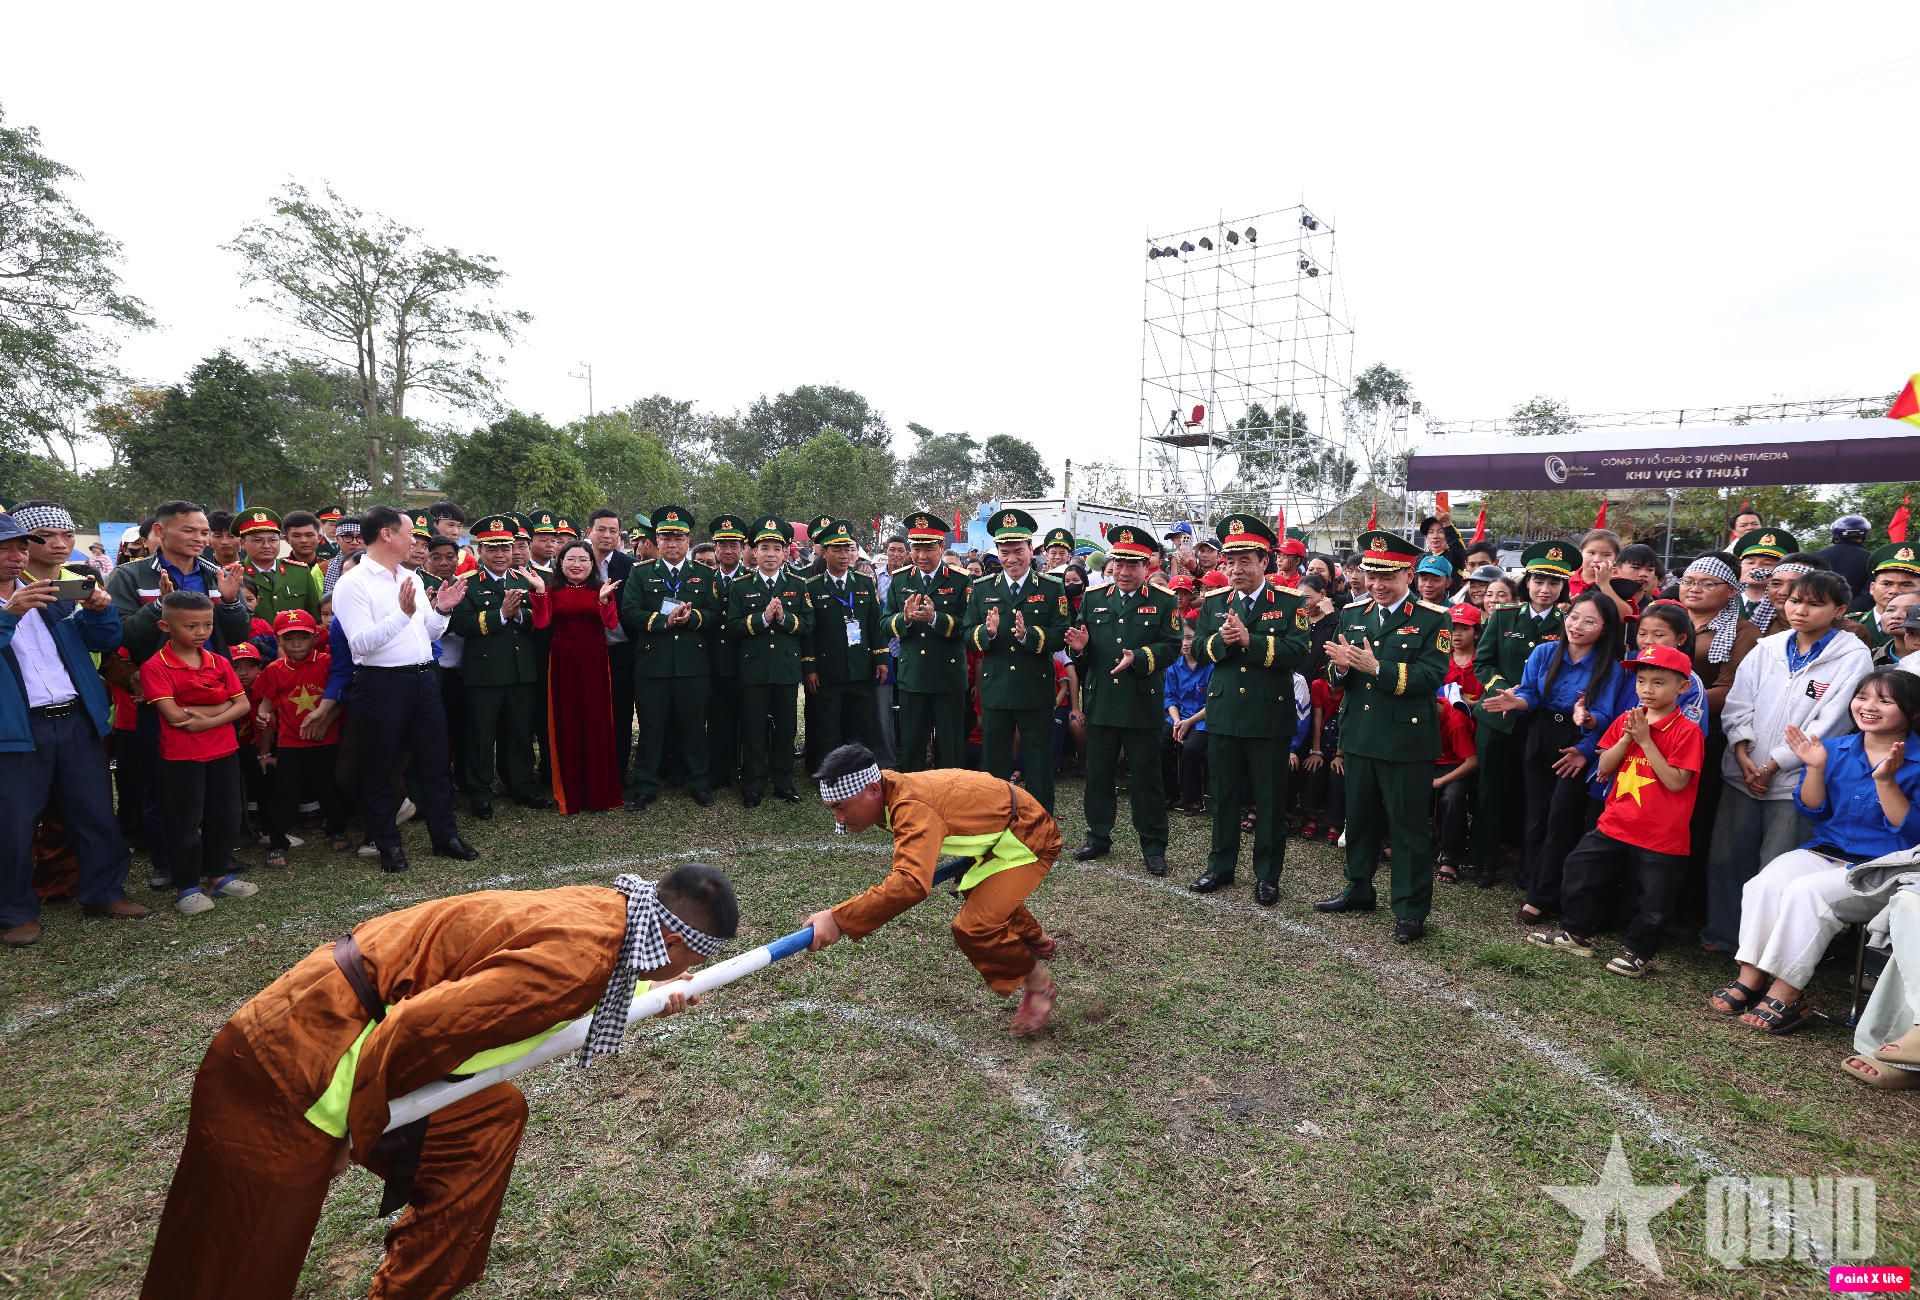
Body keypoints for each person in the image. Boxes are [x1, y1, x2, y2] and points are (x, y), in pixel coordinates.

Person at [139, 866, 735, 1300]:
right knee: (235, 1256)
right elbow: (425, 1027)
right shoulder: (584, 960)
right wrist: (361, 1132)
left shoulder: (611, 910)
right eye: (690, 962)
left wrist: (645, 992)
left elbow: (523, 974)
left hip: (353, 1027)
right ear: (675, 939)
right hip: (297, 1056)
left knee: (487, 1121)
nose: (686, 974)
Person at [1707, 670, 1920, 1033]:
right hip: (1826, 851)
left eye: (1884, 701)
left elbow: (1913, 831)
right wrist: (1816, 768)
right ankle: (1750, 978)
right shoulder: (1834, 748)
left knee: (1809, 895)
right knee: (1765, 883)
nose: (1868, 707)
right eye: (1863, 697)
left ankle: (1788, 996)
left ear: (1913, 712)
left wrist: (1885, 781)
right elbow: (1812, 808)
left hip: (1887, 869)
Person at [806, 744, 1062, 1033]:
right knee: (977, 888)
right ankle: (1037, 939)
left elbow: (911, 883)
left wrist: (839, 918)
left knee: (974, 926)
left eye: (841, 807)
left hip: (1027, 834)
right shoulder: (885, 788)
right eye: (833, 809)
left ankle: (1040, 986)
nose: (838, 819)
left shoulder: (910, 805)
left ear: (873, 790)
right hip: (1001, 826)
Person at [1701, 569, 1874, 955]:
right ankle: (1723, 933)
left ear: (1839, 610)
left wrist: (1773, 765)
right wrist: (1743, 754)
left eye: (1815, 604)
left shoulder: (1851, 656)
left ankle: (1763, 948)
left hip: (1794, 782)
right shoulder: (1769, 647)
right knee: (1728, 857)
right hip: (1741, 773)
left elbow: (1832, 723)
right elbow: (1737, 705)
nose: (1801, 610)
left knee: (1776, 864)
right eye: (1796, 600)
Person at [0, 508, 143, 946]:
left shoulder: (53, 590)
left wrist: (100, 610)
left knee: (95, 811)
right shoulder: (24, 599)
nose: (15, 555)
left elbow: (101, 641)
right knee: (13, 826)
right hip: (16, 731)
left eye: (21, 546)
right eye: (3, 548)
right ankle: (14, 912)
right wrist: (8, 614)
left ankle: (104, 892)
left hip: (75, 719)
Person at [1530, 645, 1705, 977]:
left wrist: (1646, 740)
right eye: (1641, 681)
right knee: (1579, 867)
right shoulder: (1628, 719)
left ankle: (1638, 951)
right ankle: (1576, 932)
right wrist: (1628, 738)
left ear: (1682, 687)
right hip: (1616, 821)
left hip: (1661, 833)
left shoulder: (1688, 731)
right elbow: (1604, 766)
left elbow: (1676, 782)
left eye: (1659, 682)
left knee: (1654, 898)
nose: (1647, 690)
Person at [330, 503, 477, 873]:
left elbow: (427, 634)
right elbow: (361, 644)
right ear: (387, 534)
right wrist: (403, 615)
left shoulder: (409, 577)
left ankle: (445, 837)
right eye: (410, 533)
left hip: (423, 680)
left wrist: (440, 610)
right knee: (379, 768)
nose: (415, 540)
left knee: (435, 764)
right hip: (381, 684)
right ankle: (388, 846)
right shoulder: (353, 583)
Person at [1483, 588, 1627, 927]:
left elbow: (1605, 716)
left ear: (1605, 629)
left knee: (1560, 820)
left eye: (1590, 621)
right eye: (1574, 617)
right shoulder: (1545, 652)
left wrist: (1586, 733)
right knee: (1537, 816)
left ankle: (1541, 898)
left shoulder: (1612, 669)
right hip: (1542, 735)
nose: (1577, 626)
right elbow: (1531, 694)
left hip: (1577, 746)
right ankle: (1535, 881)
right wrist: (1515, 702)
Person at [1190, 515, 1310, 905]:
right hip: (1224, 713)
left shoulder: (1291, 603)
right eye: (1230, 562)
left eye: (1245, 561)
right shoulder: (1214, 602)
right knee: (1225, 796)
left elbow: (1299, 652)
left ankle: (1267, 875)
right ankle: (1220, 867)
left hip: (1269, 717)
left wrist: (1251, 640)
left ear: (1265, 562)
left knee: (1270, 799)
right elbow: (1195, 650)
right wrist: (1222, 642)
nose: (1236, 570)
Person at [1064, 526, 1182, 876]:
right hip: (1101, 701)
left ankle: (1153, 845)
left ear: (1146, 566)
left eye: (1133, 566)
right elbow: (1080, 648)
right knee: (1098, 775)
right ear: (1111, 565)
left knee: (1146, 777)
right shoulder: (1093, 597)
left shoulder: (1164, 600)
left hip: (1141, 701)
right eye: (1120, 565)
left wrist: (1142, 657)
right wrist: (1080, 649)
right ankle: (1098, 836)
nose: (1125, 572)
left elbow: (1172, 645)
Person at [140, 591, 258, 917]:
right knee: (184, 821)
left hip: (224, 750)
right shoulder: (156, 666)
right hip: (182, 756)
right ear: (165, 625)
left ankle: (218, 875)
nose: (201, 632)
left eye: (207, 624)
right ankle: (186, 887)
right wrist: (223, 709)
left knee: (225, 814)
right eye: (191, 626)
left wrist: (206, 717)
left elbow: (244, 705)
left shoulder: (219, 661)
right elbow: (176, 717)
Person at [1468, 540, 1573, 888]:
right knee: (1490, 789)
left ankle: (1531, 867)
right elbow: (1482, 662)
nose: (1545, 589)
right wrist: (1502, 688)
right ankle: (1484, 860)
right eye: (1539, 581)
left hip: (1539, 723)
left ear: (1563, 587)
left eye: (1554, 583)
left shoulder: (1567, 623)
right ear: (1526, 583)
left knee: (1535, 796)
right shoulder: (1503, 616)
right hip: (1496, 716)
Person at [964, 509, 1070, 817]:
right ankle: (997, 822)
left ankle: (1039, 824)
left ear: (1030, 550)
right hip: (996, 689)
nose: (1012, 559)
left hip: (1035, 688)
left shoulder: (1051, 587)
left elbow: (1062, 633)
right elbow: (966, 634)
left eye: (1018, 551)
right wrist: (987, 632)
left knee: (1037, 762)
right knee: (995, 762)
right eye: (1005, 552)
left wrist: (1029, 636)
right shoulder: (982, 588)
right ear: (997, 552)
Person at [619, 505, 720, 811]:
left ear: (689, 541)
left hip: (692, 664)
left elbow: (715, 614)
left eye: (679, 537)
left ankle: (699, 782)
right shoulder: (641, 573)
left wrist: (690, 619)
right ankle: (646, 786)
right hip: (653, 664)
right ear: (657, 541)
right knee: (651, 728)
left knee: (693, 727)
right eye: (666, 537)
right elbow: (630, 612)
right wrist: (664, 621)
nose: (672, 543)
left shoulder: (704, 574)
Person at [447, 516, 548, 819]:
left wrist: (518, 616)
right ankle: (479, 792)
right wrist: (500, 615)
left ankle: (522, 786)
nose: (500, 554)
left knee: (519, 732)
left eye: (505, 548)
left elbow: (540, 620)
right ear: (480, 551)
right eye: (492, 549)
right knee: (481, 736)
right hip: (484, 675)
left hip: (521, 672)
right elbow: (461, 624)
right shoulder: (466, 583)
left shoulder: (526, 579)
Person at [527, 538, 624, 814]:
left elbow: (612, 623)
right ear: (561, 563)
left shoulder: (601, 589)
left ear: (592, 564)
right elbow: (541, 622)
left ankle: (599, 792)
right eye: (571, 559)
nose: (577, 564)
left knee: (596, 721)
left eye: (583, 559)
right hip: (562, 662)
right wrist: (538, 592)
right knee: (566, 721)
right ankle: (571, 793)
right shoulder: (552, 590)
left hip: (595, 661)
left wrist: (605, 600)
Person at [254, 609, 349, 862]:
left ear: (316, 636)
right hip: (289, 743)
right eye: (288, 638)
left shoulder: (328, 662)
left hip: (326, 740)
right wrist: (262, 715)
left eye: (303, 637)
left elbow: (341, 699)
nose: (296, 644)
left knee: (328, 786)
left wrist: (324, 724)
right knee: (285, 791)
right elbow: (265, 703)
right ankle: (277, 842)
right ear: (278, 640)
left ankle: (336, 830)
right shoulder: (274, 669)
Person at [730, 517, 813, 806]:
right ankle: (753, 784)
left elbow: (809, 623)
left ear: (785, 551)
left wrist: (784, 619)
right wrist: (762, 620)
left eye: (776, 548)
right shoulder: (740, 586)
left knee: (786, 728)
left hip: (786, 669)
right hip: (753, 669)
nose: (769, 554)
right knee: (753, 728)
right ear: (754, 551)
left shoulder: (798, 584)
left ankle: (783, 782)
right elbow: (732, 626)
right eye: (764, 547)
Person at [887, 510, 971, 771]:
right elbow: (884, 624)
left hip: (948, 676)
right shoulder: (900, 580)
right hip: (913, 676)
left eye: (929, 549)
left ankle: (951, 799)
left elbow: (969, 627)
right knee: (912, 745)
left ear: (942, 547)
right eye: (916, 548)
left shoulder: (961, 580)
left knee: (951, 746)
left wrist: (936, 619)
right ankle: (913, 801)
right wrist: (906, 620)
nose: (921, 556)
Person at [804, 519, 889, 757]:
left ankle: (863, 773)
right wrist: (810, 667)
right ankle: (830, 776)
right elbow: (809, 631)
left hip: (861, 667)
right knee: (828, 726)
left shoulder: (863, 583)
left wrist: (881, 658)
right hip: (828, 669)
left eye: (848, 549)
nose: (844, 555)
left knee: (863, 724)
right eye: (837, 550)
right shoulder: (812, 587)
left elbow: (875, 623)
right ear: (824, 553)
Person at [1432, 603, 1483, 881]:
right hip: (1438, 738)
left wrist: (1472, 705)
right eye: (1452, 627)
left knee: (1453, 796)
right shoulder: (1438, 660)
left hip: (1468, 743)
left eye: (1464, 628)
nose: (1457, 634)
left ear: (1476, 632)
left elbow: (1487, 700)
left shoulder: (1483, 663)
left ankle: (1450, 855)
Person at [704, 515, 752, 790]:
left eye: (734, 545)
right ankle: (719, 771)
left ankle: (748, 770)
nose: (728, 550)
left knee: (748, 721)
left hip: (745, 661)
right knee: (719, 721)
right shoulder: (705, 579)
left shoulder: (752, 580)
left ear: (743, 548)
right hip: (714, 661)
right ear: (715, 549)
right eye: (722, 545)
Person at [234, 508, 324, 623]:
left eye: (273, 540)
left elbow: (314, 617)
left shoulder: (300, 571)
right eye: (258, 540)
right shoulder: (233, 574)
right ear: (243, 544)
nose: (267, 546)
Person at [1161, 624, 1211, 817]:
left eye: (1190, 637)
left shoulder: (1211, 665)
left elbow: (1213, 703)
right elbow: (1170, 698)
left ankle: (1193, 798)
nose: (1185, 643)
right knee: (1162, 742)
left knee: (1191, 748)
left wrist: (1189, 722)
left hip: (1202, 720)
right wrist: (1176, 721)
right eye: (1181, 638)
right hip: (1178, 717)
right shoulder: (1174, 665)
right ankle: (1170, 793)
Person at [1732, 528, 1795, 622]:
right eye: (1750, 563)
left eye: (1767, 564)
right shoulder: (1722, 602)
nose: (1756, 567)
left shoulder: (1790, 607)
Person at [1816, 514, 1875, 608]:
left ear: (1836, 535)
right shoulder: (1872, 559)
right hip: (1857, 615)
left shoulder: (1817, 556)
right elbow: (1870, 591)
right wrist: (1851, 612)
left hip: (1820, 612)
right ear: (1864, 535)